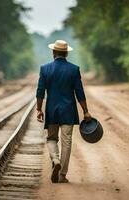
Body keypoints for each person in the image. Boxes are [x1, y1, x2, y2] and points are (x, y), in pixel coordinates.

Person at [36, 40, 91, 183]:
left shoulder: (45, 69)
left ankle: (55, 159)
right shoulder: (74, 69)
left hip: (52, 110)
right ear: (66, 53)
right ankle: (62, 175)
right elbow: (79, 92)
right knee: (67, 142)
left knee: (52, 138)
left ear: (53, 52)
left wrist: (38, 109)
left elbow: (40, 91)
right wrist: (85, 111)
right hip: (68, 111)